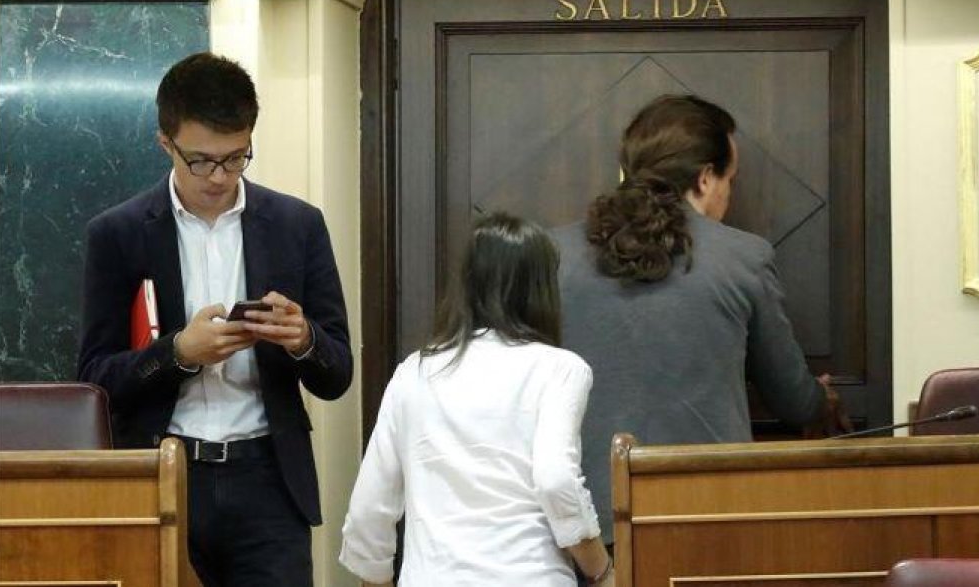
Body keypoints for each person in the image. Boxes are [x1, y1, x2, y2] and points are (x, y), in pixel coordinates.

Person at [77, 52, 352, 586]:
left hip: (269, 480)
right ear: (166, 143)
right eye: (201, 160)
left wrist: (303, 340)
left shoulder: (297, 225)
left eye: (235, 158)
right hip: (163, 473)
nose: (219, 176)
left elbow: (337, 373)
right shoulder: (118, 233)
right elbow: (93, 379)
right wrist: (178, 354)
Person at [551, 94, 831, 544]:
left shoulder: (555, 255)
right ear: (704, 179)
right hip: (711, 515)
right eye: (731, 181)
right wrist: (824, 401)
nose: (728, 193)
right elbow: (795, 401)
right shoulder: (744, 257)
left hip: (586, 523)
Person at [340, 213, 613, 587]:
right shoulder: (560, 369)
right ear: (543, 287)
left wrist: (377, 578)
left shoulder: (414, 373)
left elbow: (369, 507)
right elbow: (555, 479)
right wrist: (600, 570)